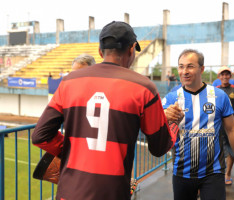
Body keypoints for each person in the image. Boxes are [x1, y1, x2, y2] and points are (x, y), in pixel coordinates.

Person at [32, 21, 179, 200]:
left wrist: (72, 150)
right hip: (113, 191)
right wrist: (172, 124)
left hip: (69, 193)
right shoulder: (144, 88)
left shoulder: (68, 82)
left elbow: (40, 135)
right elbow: (160, 147)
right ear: (132, 49)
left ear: (101, 52)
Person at [163, 49, 234, 200]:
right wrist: (164, 116)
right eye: (181, 66)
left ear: (202, 69)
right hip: (182, 172)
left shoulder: (220, 96)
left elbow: (232, 130)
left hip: (213, 172)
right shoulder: (171, 98)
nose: (184, 71)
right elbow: (156, 129)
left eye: (190, 66)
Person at [216, 66, 234, 186]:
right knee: (218, 151)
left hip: (231, 128)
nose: (225, 77)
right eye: (222, 74)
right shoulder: (214, 90)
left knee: (232, 151)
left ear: (230, 76)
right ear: (219, 77)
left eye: (227, 74)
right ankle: (218, 174)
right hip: (218, 128)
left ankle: (227, 173)